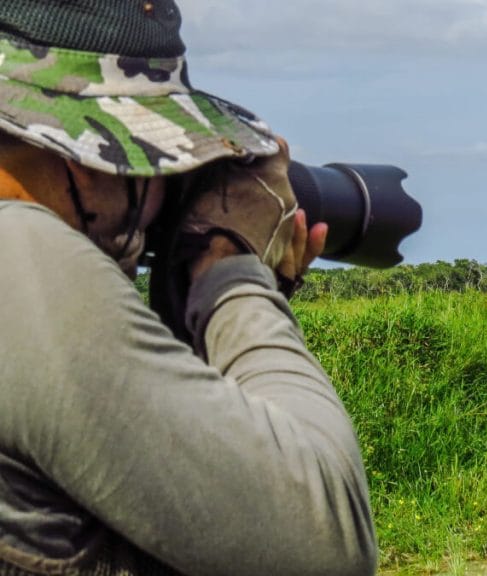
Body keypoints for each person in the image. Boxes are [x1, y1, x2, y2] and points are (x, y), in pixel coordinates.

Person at [0, 1, 377, 575]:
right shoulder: (21, 256)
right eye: (153, 161)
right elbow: (326, 548)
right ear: (87, 162)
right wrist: (231, 273)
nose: (160, 193)